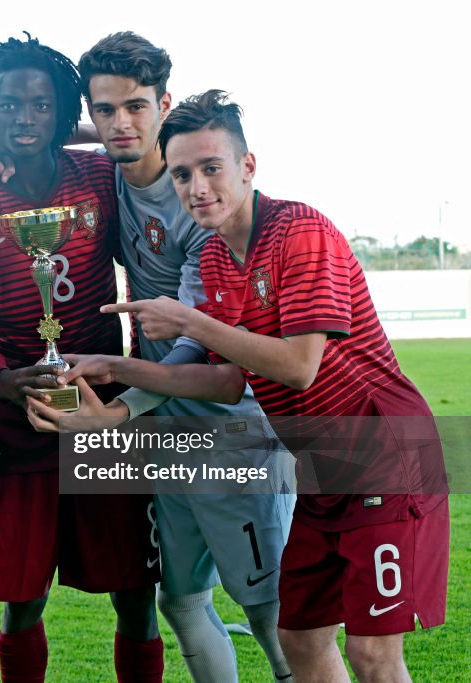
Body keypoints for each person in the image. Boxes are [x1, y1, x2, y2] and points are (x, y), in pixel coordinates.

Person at [43, 90, 449, 682]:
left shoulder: (300, 232)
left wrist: (189, 320)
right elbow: (232, 380)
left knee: (372, 653)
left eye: (212, 169)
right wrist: (117, 374)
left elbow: (299, 366)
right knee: (302, 639)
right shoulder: (214, 259)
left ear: (247, 167)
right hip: (322, 470)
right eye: (182, 174)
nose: (197, 187)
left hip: (384, 460)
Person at [11, 32, 295, 683]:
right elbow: (84, 132)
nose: (120, 124)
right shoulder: (114, 167)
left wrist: (119, 410)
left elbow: (200, 342)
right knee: (181, 598)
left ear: (164, 104)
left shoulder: (201, 202)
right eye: (104, 110)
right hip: (168, 429)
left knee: (268, 610)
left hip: (232, 430)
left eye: (136, 107)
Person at [0, 34, 163, 682]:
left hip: (105, 418)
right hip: (23, 422)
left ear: (62, 109)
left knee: (136, 594)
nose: (24, 118)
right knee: (23, 600)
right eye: (8, 105)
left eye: (41, 105)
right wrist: (7, 383)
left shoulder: (98, 174)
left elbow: (133, 139)